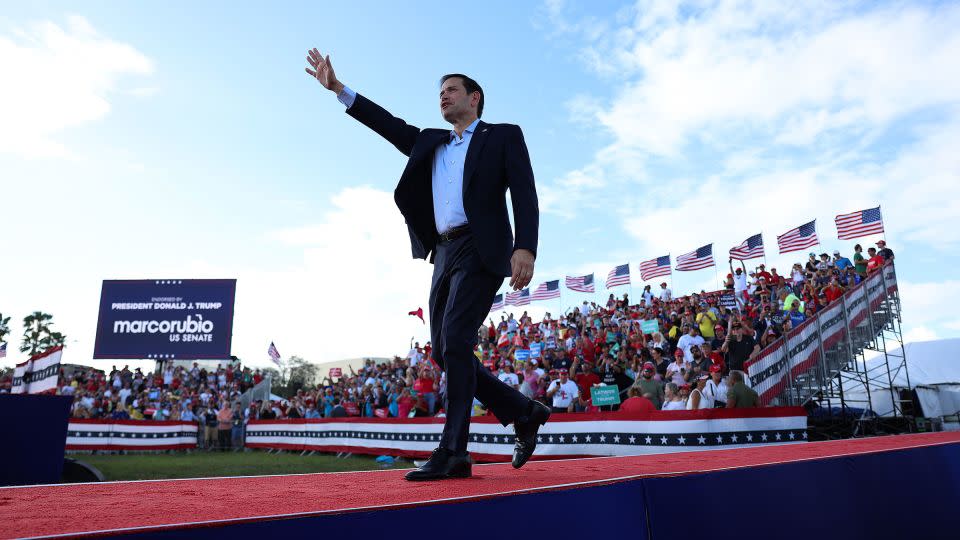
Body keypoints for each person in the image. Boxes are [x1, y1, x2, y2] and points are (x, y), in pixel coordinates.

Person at [305, 50, 549, 480]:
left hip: (483, 247)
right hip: (444, 251)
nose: (443, 97)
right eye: (439, 93)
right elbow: (388, 125)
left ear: (474, 98)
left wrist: (525, 248)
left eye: (451, 90)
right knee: (444, 349)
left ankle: (454, 452)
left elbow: (525, 194)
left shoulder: (503, 135)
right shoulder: (430, 141)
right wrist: (339, 90)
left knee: (455, 339)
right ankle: (522, 411)